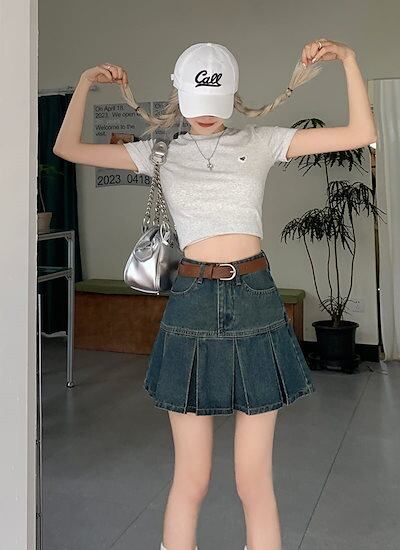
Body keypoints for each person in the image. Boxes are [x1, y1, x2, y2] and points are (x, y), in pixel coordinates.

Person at [53, 39, 377, 550]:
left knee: (254, 482)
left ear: (232, 97)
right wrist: (86, 83)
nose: (206, 115)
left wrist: (350, 62)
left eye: (215, 103)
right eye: (198, 103)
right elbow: (67, 148)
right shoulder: (159, 152)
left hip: (255, 297)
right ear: (179, 96)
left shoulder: (262, 141)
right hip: (192, 301)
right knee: (192, 478)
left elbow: (361, 133)